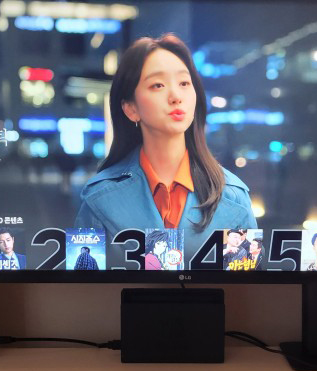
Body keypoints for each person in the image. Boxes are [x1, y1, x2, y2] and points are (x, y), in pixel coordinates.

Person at [75, 34, 257, 261]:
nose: (176, 96)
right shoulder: (98, 198)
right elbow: (84, 277)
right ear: (131, 108)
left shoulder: (233, 196)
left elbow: (248, 281)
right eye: (158, 85)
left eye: (184, 83)